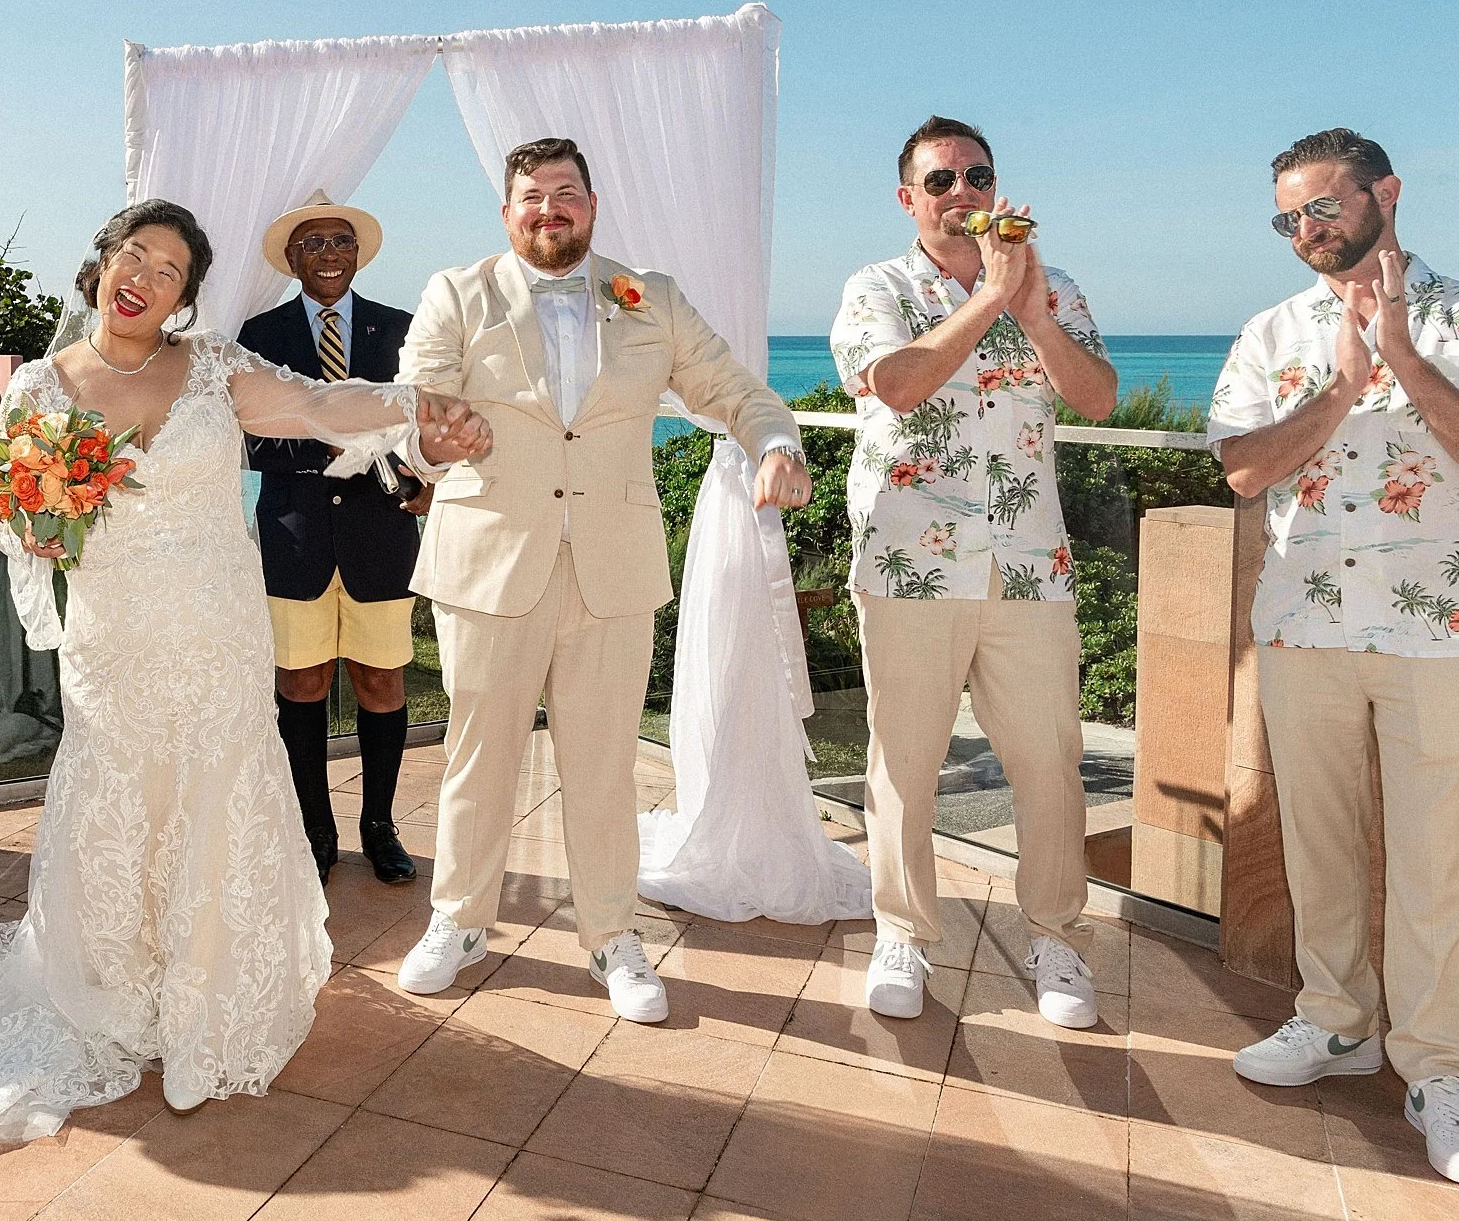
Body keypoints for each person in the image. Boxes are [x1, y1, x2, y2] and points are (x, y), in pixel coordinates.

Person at [0, 199, 491, 1146]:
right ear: (104, 264)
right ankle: (114, 994)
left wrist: (416, 405)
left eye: (169, 271)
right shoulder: (42, 385)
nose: (145, 277)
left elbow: (321, 408)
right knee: (121, 796)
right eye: (136, 255)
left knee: (217, 789)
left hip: (215, 629)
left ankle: (207, 1012)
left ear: (184, 298)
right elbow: (4, 509)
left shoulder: (213, 368)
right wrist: (35, 523)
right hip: (114, 639)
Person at [394, 136, 810, 1024]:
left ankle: (612, 937)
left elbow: (738, 391)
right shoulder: (457, 293)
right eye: (533, 196)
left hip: (613, 570)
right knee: (478, 757)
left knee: (604, 766)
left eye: (566, 193)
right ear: (508, 213)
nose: (550, 209)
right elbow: (413, 407)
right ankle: (458, 921)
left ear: (592, 206)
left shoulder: (650, 297)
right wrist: (432, 442)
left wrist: (775, 443)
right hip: (488, 564)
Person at [1210, 128, 1459, 1189]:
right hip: (1302, 623)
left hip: (1444, 629)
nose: (1306, 229)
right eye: (1289, 217)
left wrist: (1403, 358)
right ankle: (1334, 1021)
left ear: (1385, 194)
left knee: (1440, 859)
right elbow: (1242, 470)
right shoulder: (1270, 331)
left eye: (1322, 206)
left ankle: (1440, 1066)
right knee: (1316, 842)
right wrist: (1338, 389)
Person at [829, 115, 1118, 1030]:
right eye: (941, 180)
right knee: (905, 760)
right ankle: (903, 934)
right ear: (907, 198)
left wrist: (1032, 312)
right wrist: (992, 298)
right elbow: (899, 383)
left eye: (978, 177)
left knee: (1050, 761)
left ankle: (1055, 938)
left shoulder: (1054, 287)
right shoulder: (876, 287)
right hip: (911, 559)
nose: (963, 193)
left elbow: (1099, 398)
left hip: (1029, 562)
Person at [239, 190, 429, 886]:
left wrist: (425, 477)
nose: (328, 254)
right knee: (303, 681)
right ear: (292, 258)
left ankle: (379, 827)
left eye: (340, 241)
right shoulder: (257, 335)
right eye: (313, 243)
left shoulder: (403, 330)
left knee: (381, 680)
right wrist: (334, 443)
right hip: (295, 541)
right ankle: (313, 829)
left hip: (381, 537)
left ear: (358, 254)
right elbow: (249, 437)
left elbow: (423, 426)